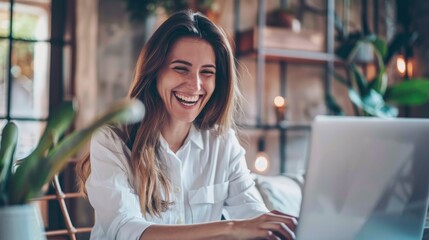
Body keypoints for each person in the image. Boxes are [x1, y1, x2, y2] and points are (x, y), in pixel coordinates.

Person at [77, 10, 297, 240]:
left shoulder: (223, 143)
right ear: (155, 71)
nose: (195, 85)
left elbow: (253, 215)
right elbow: (126, 231)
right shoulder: (112, 139)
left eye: (207, 72)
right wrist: (230, 227)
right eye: (181, 68)